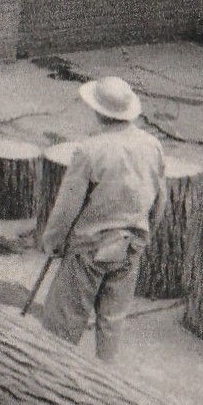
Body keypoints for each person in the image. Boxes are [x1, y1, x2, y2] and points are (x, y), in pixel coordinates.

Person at [39, 75, 167, 362]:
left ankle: (52, 375)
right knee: (111, 323)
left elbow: (66, 206)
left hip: (89, 248)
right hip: (130, 245)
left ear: (99, 111)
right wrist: (145, 237)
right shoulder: (152, 145)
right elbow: (160, 200)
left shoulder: (89, 150)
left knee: (63, 322)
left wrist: (53, 241)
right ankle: (105, 378)